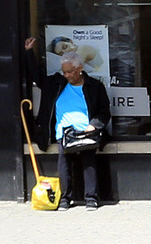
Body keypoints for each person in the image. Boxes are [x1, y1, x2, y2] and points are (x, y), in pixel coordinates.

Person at [23, 35, 110, 210]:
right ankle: (64, 199)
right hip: (64, 132)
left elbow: (104, 110)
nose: (67, 75)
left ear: (80, 68)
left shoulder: (94, 86)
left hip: (86, 131)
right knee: (64, 163)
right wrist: (28, 53)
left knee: (89, 161)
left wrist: (94, 124)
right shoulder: (56, 83)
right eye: (65, 71)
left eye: (70, 71)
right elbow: (37, 76)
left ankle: (91, 198)